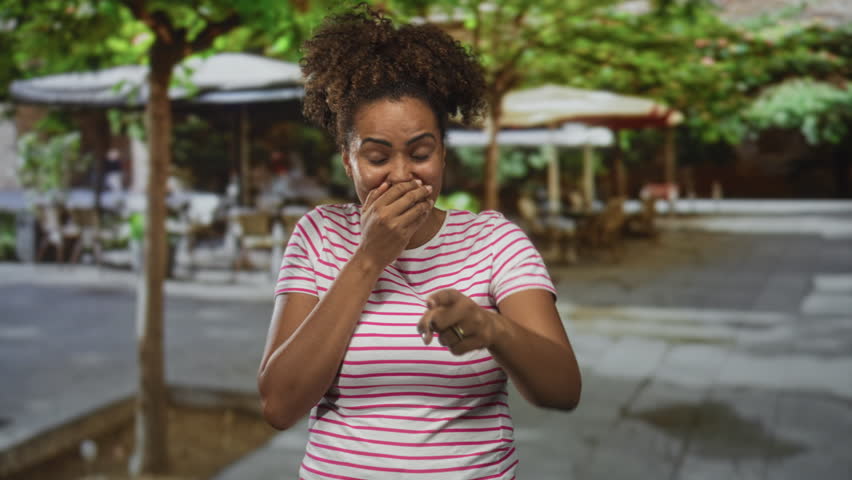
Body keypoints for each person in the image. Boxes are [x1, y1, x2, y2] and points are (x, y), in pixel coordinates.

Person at [257, 6, 581, 479]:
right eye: (377, 156)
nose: (402, 174)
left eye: (421, 153)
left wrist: (491, 330)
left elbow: (563, 389)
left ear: (443, 155)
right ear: (349, 163)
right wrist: (369, 258)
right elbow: (279, 404)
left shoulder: (495, 241)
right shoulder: (319, 235)